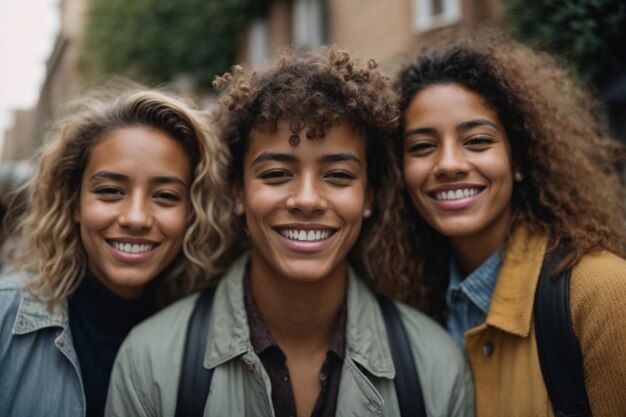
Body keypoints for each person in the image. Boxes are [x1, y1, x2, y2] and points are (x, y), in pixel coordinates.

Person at [105, 47, 474, 417]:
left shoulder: (437, 370)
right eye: (277, 174)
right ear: (238, 192)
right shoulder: (150, 364)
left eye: (339, 176)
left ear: (369, 197)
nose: (307, 200)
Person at [386, 31, 626, 416]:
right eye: (422, 146)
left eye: (477, 141)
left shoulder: (602, 293)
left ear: (517, 160)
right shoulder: (411, 304)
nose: (448, 164)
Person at [0, 83, 234, 417]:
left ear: (193, 212)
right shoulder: (5, 316)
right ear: (74, 201)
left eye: (165, 195)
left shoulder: (220, 334)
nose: (136, 218)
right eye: (111, 191)